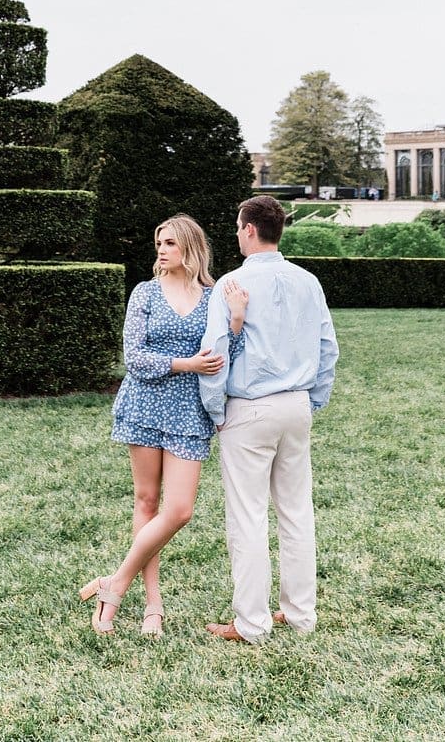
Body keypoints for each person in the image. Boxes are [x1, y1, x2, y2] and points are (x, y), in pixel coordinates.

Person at [79, 214, 248, 635]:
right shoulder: (145, 293)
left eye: (170, 243)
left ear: (190, 247)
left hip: (189, 411)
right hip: (144, 405)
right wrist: (184, 363)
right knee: (146, 503)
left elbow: (230, 353)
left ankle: (114, 582)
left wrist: (237, 319)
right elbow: (133, 357)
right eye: (159, 242)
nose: (161, 249)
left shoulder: (213, 296)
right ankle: (152, 603)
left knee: (179, 511)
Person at [199, 196, 339, 644]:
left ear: (249, 230)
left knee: (248, 517)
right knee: (296, 511)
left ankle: (252, 624)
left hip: (249, 408)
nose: (237, 233)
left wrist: (216, 410)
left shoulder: (232, 283)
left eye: (238, 227)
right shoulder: (308, 281)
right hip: (295, 406)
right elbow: (327, 348)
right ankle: (300, 614)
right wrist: (311, 400)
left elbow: (214, 354)